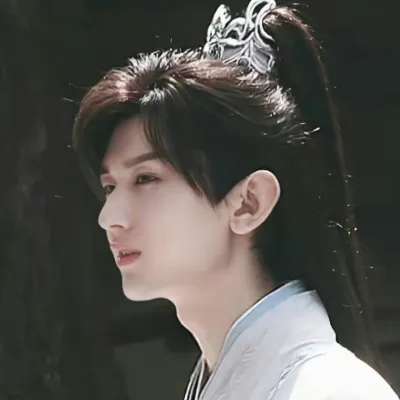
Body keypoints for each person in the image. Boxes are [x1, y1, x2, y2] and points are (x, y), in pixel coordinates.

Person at [72, 0, 399, 398]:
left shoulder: (328, 389)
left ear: (249, 203)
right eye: (110, 187)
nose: (110, 216)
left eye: (146, 178)